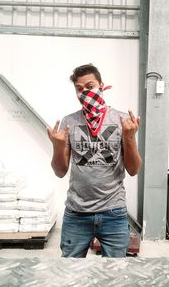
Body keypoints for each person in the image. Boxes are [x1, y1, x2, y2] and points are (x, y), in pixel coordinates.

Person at [47, 64, 142, 258]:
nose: (85, 93)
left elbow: (133, 170)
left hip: (113, 212)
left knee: (114, 274)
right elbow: (60, 171)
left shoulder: (122, 121)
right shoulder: (69, 122)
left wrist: (130, 137)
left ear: (101, 86)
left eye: (90, 86)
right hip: (76, 212)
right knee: (70, 273)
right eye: (79, 89)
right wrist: (57, 146)